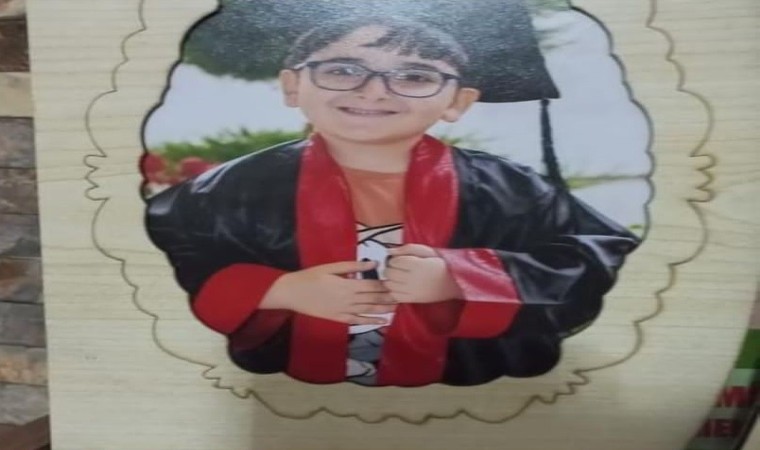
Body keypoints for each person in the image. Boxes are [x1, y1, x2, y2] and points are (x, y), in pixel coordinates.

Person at [146, 16, 640, 387]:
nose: (374, 91)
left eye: (416, 76)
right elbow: (169, 256)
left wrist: (461, 278)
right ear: (293, 86)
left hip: (464, 398)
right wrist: (279, 291)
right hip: (286, 397)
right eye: (343, 70)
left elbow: (596, 256)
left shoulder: (509, 189)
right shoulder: (231, 188)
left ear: (458, 102)